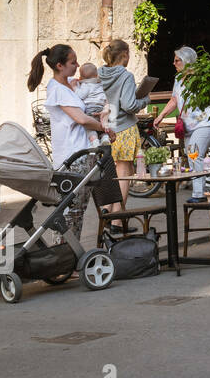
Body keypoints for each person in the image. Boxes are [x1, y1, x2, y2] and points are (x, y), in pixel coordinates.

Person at [28, 45, 117, 241]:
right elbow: (81, 119)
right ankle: (63, 259)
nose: (77, 65)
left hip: (83, 152)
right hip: (72, 155)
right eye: (72, 62)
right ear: (59, 65)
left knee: (78, 211)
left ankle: (69, 260)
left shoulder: (69, 84)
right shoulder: (58, 90)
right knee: (71, 210)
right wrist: (105, 129)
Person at [153, 46, 210, 204]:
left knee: (195, 153)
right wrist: (161, 115)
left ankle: (199, 194)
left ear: (187, 61)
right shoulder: (178, 78)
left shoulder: (201, 77)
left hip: (204, 122)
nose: (174, 63)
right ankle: (199, 192)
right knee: (191, 156)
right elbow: (174, 100)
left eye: (177, 60)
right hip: (188, 125)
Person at [99, 38, 149, 206]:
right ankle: (118, 219)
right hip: (124, 127)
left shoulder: (100, 73)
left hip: (107, 127)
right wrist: (144, 100)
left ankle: (106, 212)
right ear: (124, 55)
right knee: (124, 173)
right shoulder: (125, 76)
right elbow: (129, 105)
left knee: (109, 173)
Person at [73, 63, 108, 142]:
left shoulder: (86, 84)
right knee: (101, 125)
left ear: (81, 77)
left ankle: (94, 140)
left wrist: (74, 87)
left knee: (89, 128)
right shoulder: (100, 84)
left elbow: (80, 95)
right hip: (101, 110)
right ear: (96, 75)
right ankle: (105, 138)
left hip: (90, 109)